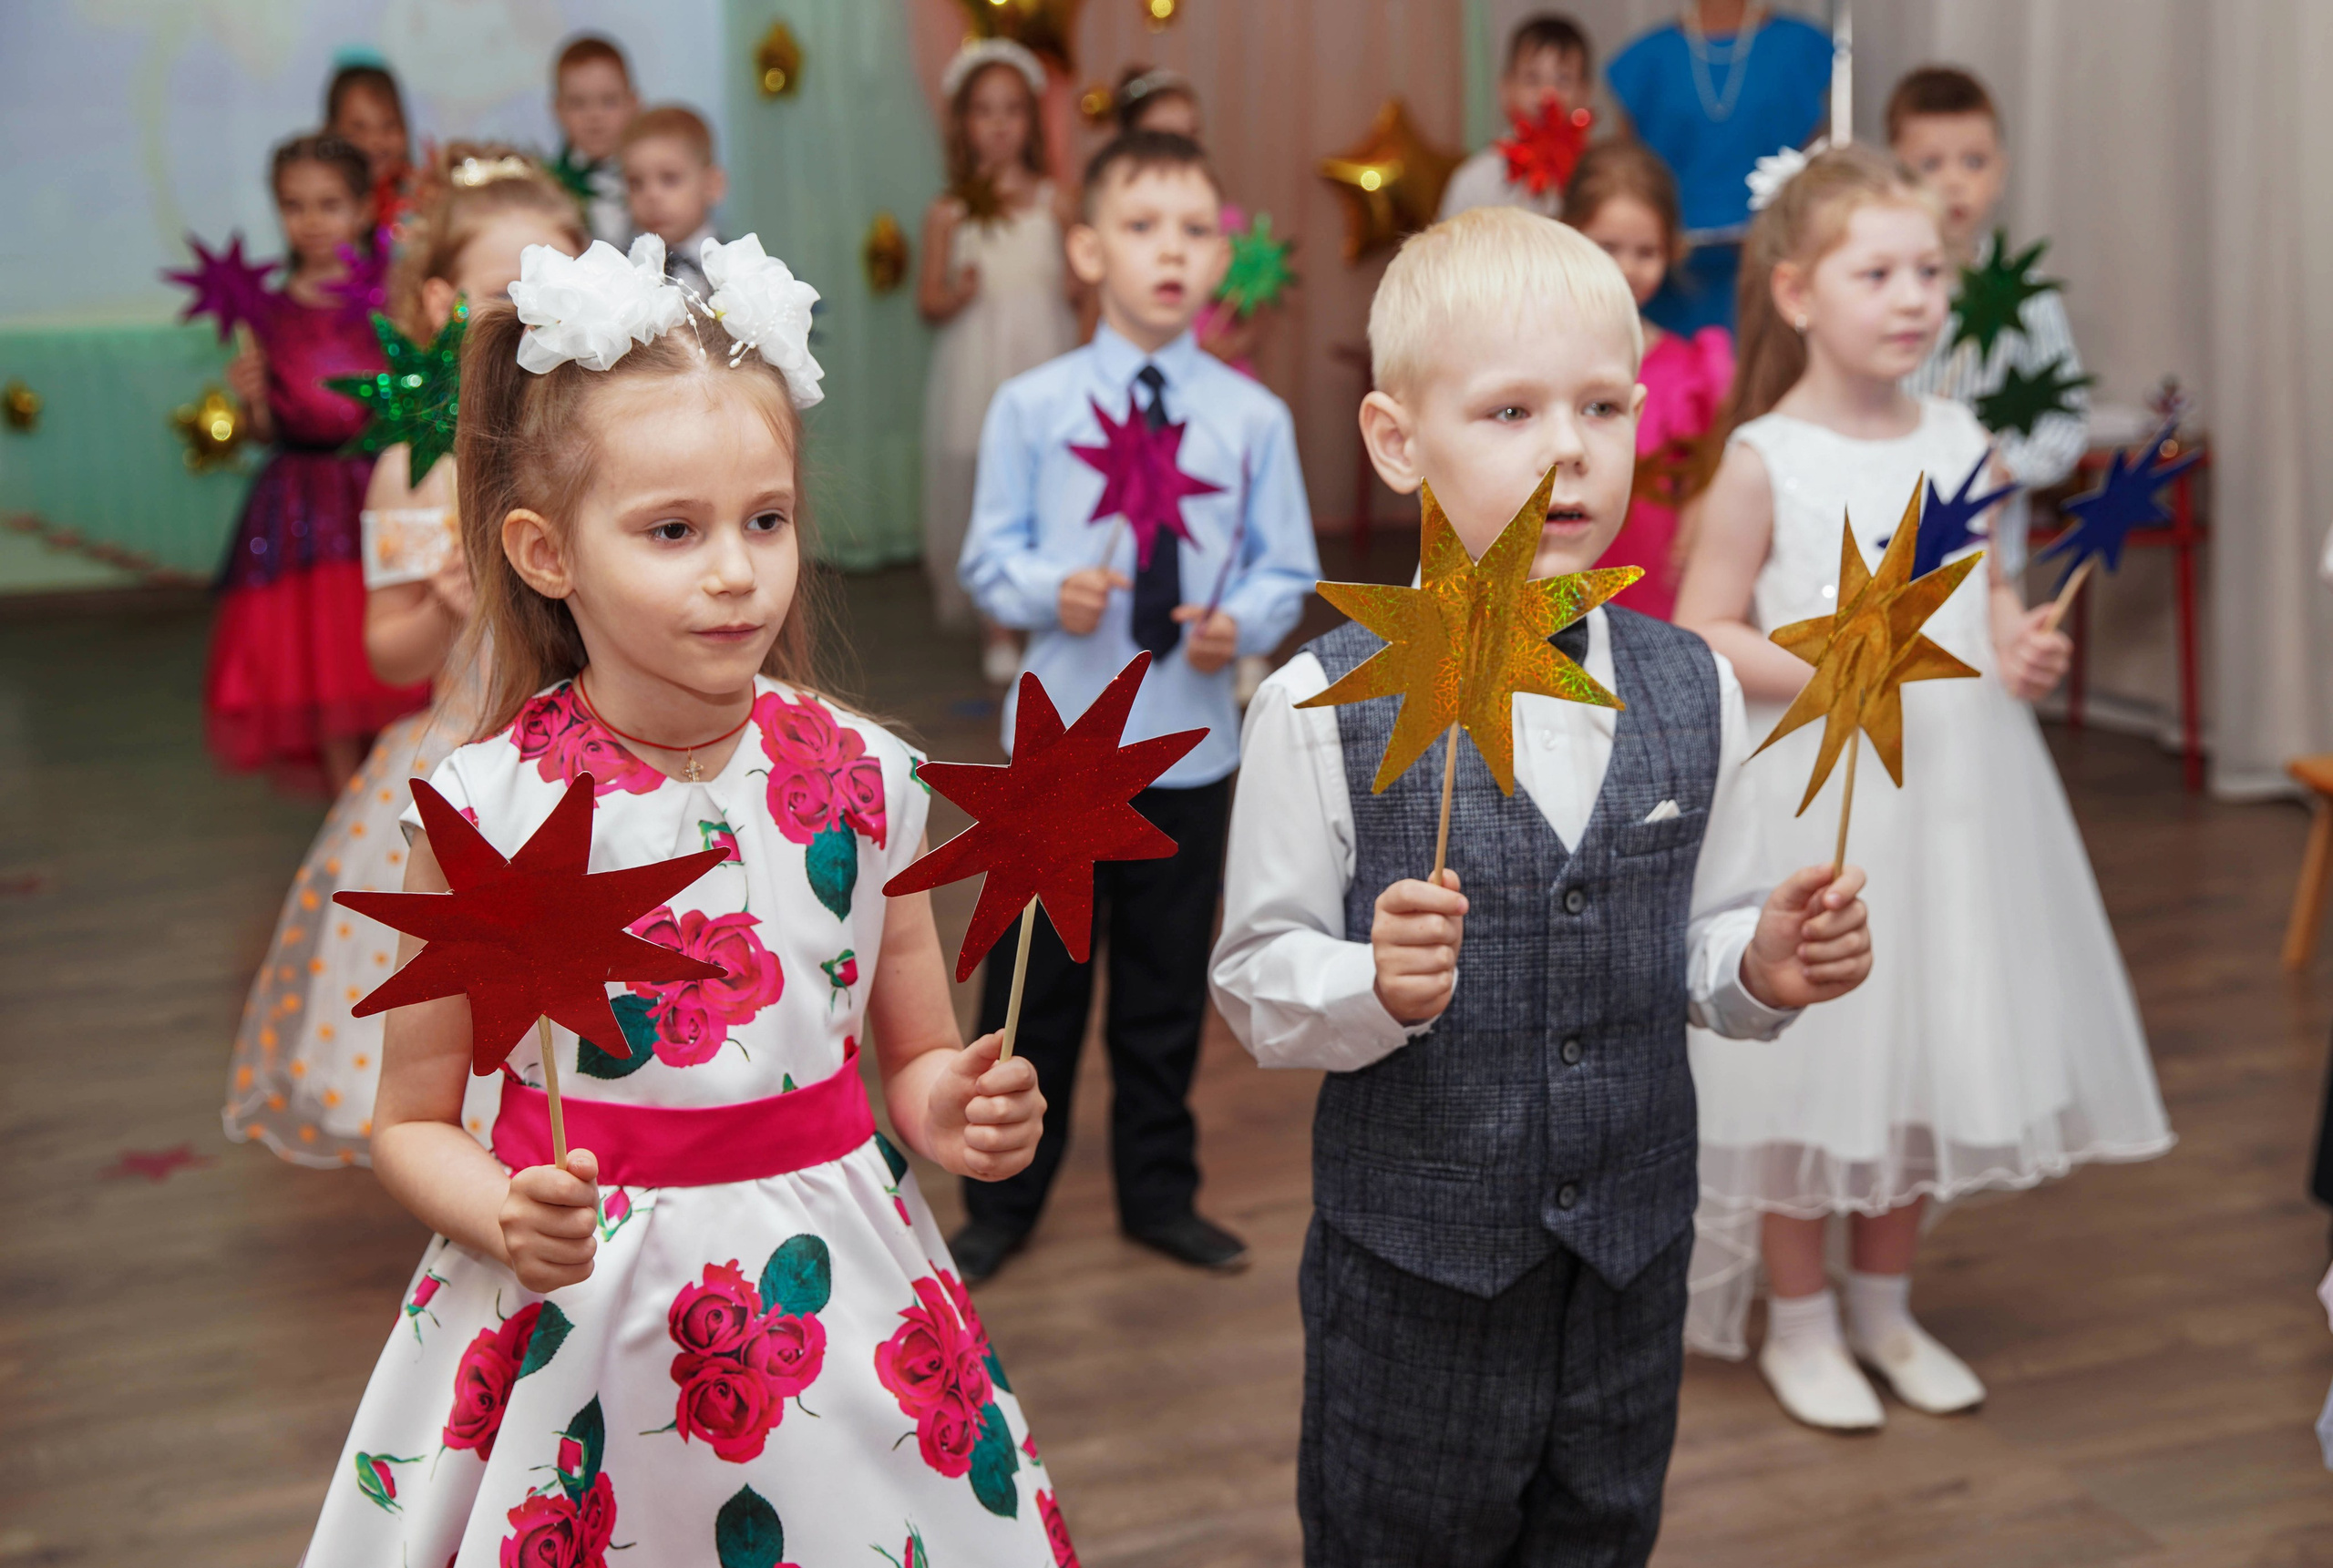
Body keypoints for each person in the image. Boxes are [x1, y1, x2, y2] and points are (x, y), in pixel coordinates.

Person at [299, 236, 1074, 1563]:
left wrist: (957, 1109)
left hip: (833, 1308)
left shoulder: (867, 776)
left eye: (764, 520)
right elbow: (410, 1123)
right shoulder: (487, 813)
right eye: (674, 530)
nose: (736, 570)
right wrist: (500, 1211)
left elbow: (914, 1053)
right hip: (583, 1315)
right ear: (547, 552)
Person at [1210, 205, 1873, 1566]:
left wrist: (1759, 967)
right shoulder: (1311, 709)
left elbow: (1702, 936)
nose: (1570, 450)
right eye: (1511, 411)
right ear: (1398, 440)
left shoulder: (1696, 685)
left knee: (1604, 1533)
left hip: (1630, 1271)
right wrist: (1367, 982)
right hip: (1419, 1288)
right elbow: (1256, 978)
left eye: (1602, 407)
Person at [1673, 145, 2173, 1431]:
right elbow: (1703, 628)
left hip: (1951, 794)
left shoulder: (1965, 439)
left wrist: (2022, 644)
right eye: (1876, 272)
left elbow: (1992, 603)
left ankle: (1886, 1305)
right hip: (1819, 780)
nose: (1912, 297)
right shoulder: (1763, 458)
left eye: (1927, 271)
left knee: (1925, 1045)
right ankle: (1799, 1320)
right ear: (1795, 294)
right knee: (1814, 1055)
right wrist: (1824, 660)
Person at [955, 130, 1320, 1284]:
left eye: (1196, 229)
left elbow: (1285, 565)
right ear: (1085, 248)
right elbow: (985, 556)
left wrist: (1244, 622)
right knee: (1030, 994)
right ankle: (998, 1202)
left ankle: (1161, 1193)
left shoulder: (1251, 418)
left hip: (1191, 742)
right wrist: (1039, 590)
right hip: (1057, 755)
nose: (1173, 251)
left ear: (1223, 255)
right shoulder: (1032, 406)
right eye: (1142, 226)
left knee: (1164, 994)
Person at [223, 146, 589, 1169]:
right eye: (497, 292)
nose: (528, 315)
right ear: (438, 302)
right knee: (465, 1012)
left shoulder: (598, 442)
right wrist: (441, 600)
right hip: (464, 760)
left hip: (586, 769)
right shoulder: (414, 469)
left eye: (554, 287)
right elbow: (389, 653)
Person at [206, 134, 428, 794]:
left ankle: (402, 801)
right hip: (299, 505)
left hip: (380, 492)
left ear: (364, 210)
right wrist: (250, 403)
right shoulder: (267, 313)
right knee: (320, 666)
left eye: (330, 204)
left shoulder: (391, 299)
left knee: (396, 653)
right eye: (294, 205)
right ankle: (346, 812)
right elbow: (262, 430)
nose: (311, 220)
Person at [920, 38, 1080, 682]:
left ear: (1032, 122)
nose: (999, 123)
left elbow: (1079, 282)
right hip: (977, 368)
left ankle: (1045, 616)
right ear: (963, 123)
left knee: (1051, 491)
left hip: (1046, 360)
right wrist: (953, 294)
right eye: (984, 110)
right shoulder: (948, 211)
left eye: (1012, 109)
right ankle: (998, 627)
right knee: (990, 493)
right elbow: (927, 299)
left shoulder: (1056, 202)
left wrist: (1078, 287)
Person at [1891, 65, 2089, 576]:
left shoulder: (2026, 297)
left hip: (1988, 553)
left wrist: (2011, 467)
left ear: (2000, 172)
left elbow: (2066, 415)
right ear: (1895, 173)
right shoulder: (1879, 294)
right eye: (1930, 164)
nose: (1954, 182)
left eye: (1974, 162)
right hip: (1881, 532)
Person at [1565, 139, 1731, 619]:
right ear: (1569, 235)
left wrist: (1700, 512)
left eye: (1646, 252)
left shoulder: (1695, 367)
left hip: (1659, 577)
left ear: (1672, 251)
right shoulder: (1537, 359)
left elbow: (1711, 463)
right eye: (1607, 248)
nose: (1626, 268)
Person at [1606, 0, 1832, 334]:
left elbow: (1821, 172)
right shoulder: (1645, 60)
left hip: (1773, 275)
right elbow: (1629, 179)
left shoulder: (1804, 48)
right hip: (1668, 285)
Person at [1437, 12, 1595, 221]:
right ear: (1506, 89)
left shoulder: (1596, 177)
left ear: (1585, 93)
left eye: (1563, 80)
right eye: (1532, 79)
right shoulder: (1475, 179)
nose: (1547, 95)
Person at [621, 104, 725, 297]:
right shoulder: (619, 274)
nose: (651, 195)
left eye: (669, 178)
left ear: (712, 185)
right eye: (636, 183)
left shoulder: (741, 272)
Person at [550, 33, 639, 248]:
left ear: (634, 104)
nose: (594, 115)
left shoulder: (654, 178)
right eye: (578, 103)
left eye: (609, 101)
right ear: (558, 110)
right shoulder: (550, 186)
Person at [325, 62, 416, 230]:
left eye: (389, 126)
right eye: (358, 128)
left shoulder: (420, 206)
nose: (375, 141)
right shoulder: (321, 215)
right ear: (330, 132)